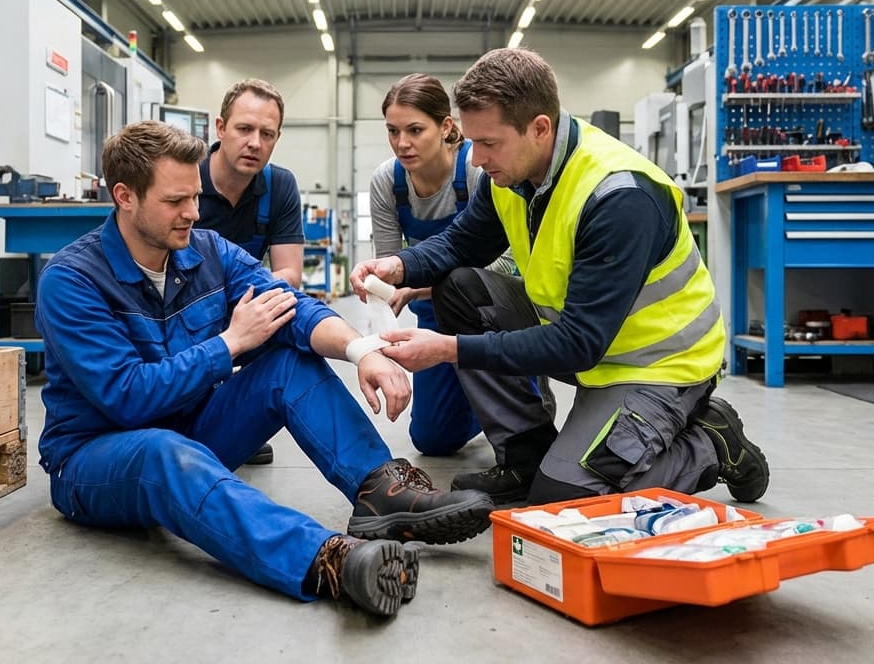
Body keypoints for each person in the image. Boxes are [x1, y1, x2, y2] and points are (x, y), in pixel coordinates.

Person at [35, 121, 493, 618]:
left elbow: (292, 307)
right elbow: (125, 396)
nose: (192, 213)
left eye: (194, 197)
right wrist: (229, 343)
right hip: (96, 459)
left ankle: (381, 491)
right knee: (160, 451)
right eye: (175, 202)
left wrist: (364, 351)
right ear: (124, 196)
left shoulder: (205, 252)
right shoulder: (72, 281)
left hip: (189, 431)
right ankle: (328, 559)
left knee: (286, 361)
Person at [351, 48, 770, 507]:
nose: (476, 160)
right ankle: (525, 457)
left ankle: (711, 441)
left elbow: (578, 341)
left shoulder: (619, 196)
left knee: (571, 496)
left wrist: (449, 349)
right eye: (473, 144)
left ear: (540, 128)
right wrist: (399, 266)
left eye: (488, 144)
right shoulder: (508, 176)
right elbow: (460, 245)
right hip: (591, 347)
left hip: (658, 363)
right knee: (461, 289)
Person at [370, 73, 515, 457]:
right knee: (433, 441)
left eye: (415, 130)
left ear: (446, 126)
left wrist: (422, 286)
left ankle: (519, 382)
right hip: (433, 316)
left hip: (490, 311)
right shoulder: (388, 182)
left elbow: (510, 260)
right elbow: (389, 266)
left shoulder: (477, 171)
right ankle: (474, 407)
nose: (403, 143)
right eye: (393, 131)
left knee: (513, 424)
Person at [197, 78, 305, 466]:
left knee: (289, 323)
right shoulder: (185, 179)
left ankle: (242, 419)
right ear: (220, 127)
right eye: (244, 129)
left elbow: (290, 271)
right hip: (180, 313)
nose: (254, 142)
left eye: (266, 133)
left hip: (244, 300)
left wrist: (258, 303)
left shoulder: (280, 186)